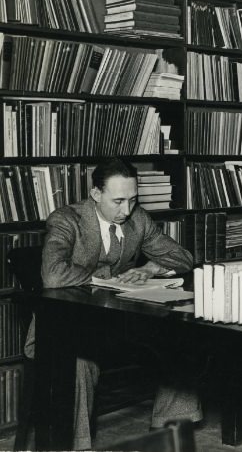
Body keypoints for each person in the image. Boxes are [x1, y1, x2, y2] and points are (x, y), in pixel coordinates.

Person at [25, 158, 202, 450]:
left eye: (132, 200)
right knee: (77, 359)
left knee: (181, 341)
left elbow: (183, 257)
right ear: (96, 194)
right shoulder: (66, 219)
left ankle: (170, 431)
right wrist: (104, 276)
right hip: (63, 330)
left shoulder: (137, 219)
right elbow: (53, 276)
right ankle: (76, 445)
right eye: (118, 201)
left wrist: (150, 268)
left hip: (118, 328)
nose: (126, 210)